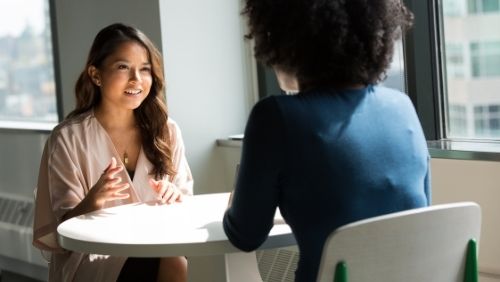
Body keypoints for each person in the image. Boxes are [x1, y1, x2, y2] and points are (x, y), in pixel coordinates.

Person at [223, 1, 431, 281]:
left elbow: (245, 235)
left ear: (286, 38)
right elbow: (418, 214)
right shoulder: (403, 107)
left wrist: (235, 202)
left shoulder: (276, 117)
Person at [33, 23, 193, 282]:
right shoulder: (68, 138)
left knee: (175, 259)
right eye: (123, 67)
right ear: (96, 75)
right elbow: (62, 234)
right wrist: (93, 201)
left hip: (158, 245)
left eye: (145, 69)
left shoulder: (167, 130)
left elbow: (186, 208)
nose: (136, 80)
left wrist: (176, 197)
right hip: (93, 257)